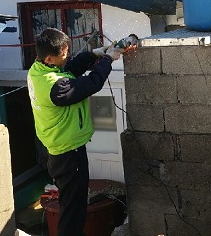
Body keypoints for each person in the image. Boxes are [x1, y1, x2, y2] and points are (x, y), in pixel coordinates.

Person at [27, 28, 134, 236]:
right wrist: (110, 59)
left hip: (62, 149)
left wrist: (97, 53)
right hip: (68, 154)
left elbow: (71, 68)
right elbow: (91, 83)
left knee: (72, 203)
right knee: (73, 209)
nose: (67, 57)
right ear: (49, 57)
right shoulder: (54, 87)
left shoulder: (39, 69)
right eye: (64, 54)